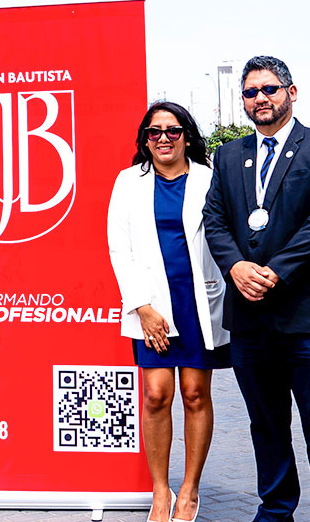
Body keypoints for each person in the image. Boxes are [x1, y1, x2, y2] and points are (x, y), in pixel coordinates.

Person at [202, 55, 310, 522]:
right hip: (251, 321)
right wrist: (235, 268)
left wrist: (274, 271)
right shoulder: (229, 155)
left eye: (269, 89)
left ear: (292, 91)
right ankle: (275, 509)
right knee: (266, 425)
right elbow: (216, 219)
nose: (260, 99)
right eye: (250, 92)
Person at [107, 102, 229, 522]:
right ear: (144, 138)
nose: (163, 138)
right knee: (156, 395)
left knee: (196, 394)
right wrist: (141, 306)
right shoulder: (128, 183)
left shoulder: (210, 180)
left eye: (172, 130)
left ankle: (189, 491)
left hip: (199, 301)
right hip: (151, 304)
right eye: (154, 131)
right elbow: (118, 248)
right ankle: (161, 490)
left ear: (187, 136)